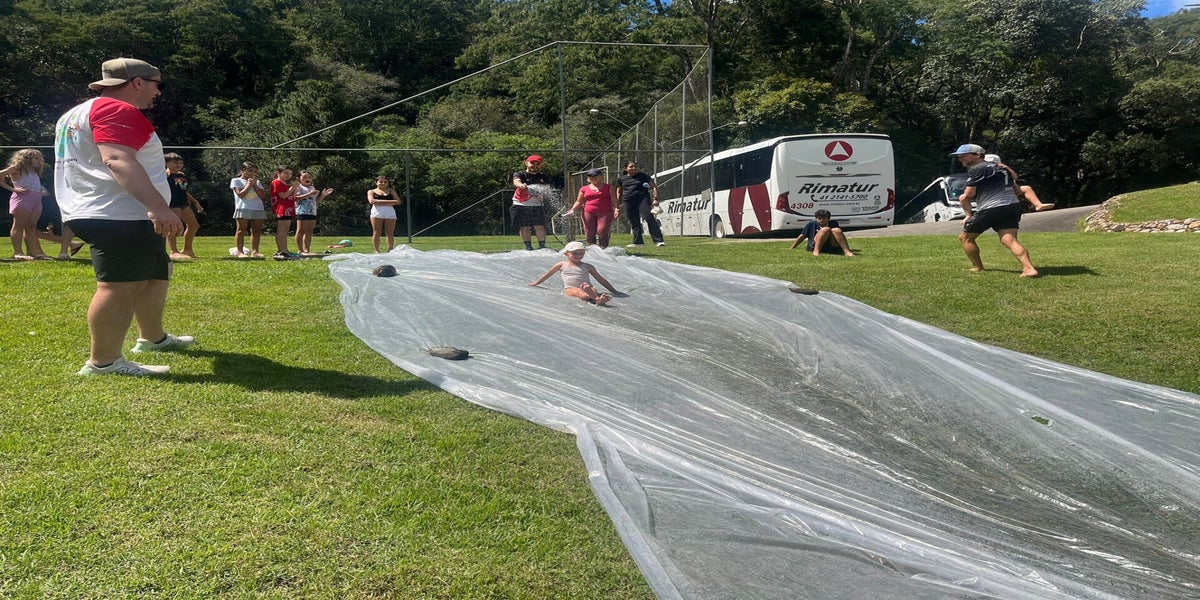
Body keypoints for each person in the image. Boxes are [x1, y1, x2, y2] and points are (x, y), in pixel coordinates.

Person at [53, 57, 192, 376]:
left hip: (108, 209)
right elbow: (116, 159)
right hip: (119, 213)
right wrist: (158, 207)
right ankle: (104, 362)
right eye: (157, 84)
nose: (159, 92)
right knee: (119, 286)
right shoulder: (116, 109)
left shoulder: (75, 113)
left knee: (156, 273)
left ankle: (152, 338)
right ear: (138, 82)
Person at [949, 144, 1039, 278]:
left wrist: (971, 199)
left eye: (964, 156)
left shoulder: (977, 169)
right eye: (959, 157)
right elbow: (1014, 180)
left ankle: (978, 267)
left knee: (965, 238)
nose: (960, 159)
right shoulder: (1002, 168)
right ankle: (1029, 268)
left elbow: (969, 194)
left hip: (992, 207)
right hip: (1012, 205)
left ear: (977, 155)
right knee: (1009, 240)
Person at [528, 240, 622, 305]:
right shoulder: (561, 265)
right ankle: (595, 298)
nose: (578, 256)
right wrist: (536, 283)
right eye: (575, 253)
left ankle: (596, 299)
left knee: (593, 289)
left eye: (581, 253)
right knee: (578, 292)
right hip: (570, 288)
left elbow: (600, 279)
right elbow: (548, 274)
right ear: (566, 253)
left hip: (588, 287)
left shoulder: (588, 266)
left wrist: (614, 291)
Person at [1, 148, 51, 259]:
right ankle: (18, 252)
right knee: (19, 225)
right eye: (36, 158)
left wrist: (41, 191)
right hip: (22, 199)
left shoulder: (34, 171)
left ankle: (32, 251)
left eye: (40, 158)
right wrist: (13, 189)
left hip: (36, 200)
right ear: (26, 159)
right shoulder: (16, 169)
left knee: (31, 226)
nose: (40, 161)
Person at [163, 152, 204, 260]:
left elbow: (183, 190)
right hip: (172, 203)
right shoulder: (165, 174)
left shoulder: (181, 175)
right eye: (175, 163)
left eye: (180, 163)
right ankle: (173, 251)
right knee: (174, 227)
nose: (178, 165)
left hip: (183, 203)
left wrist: (195, 202)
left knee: (194, 225)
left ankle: (187, 250)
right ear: (166, 163)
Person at [565, 168, 619, 248]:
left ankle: (603, 249)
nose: (593, 177)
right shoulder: (584, 188)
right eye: (590, 176)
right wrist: (572, 209)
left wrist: (617, 208)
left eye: (595, 175)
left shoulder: (609, 187)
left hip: (605, 212)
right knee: (589, 232)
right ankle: (591, 249)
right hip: (588, 212)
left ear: (601, 176)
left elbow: (614, 199)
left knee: (602, 231)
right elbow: (579, 201)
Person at [616, 161, 665, 247]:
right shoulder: (621, 179)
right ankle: (638, 242)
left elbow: (654, 187)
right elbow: (619, 192)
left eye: (635, 166)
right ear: (626, 169)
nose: (634, 168)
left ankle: (659, 241)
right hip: (628, 200)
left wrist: (655, 199)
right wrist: (617, 205)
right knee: (634, 220)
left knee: (649, 217)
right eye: (631, 167)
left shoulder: (643, 176)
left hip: (642, 199)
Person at [984, 154, 1054, 212]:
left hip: (1008, 190)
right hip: (992, 193)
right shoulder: (984, 170)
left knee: (1026, 188)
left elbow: (1015, 177)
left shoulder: (1003, 169)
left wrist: (1007, 168)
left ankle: (1038, 205)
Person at [511, 155, 551, 250]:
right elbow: (516, 181)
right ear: (526, 163)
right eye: (532, 163)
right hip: (521, 204)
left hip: (537, 205)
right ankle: (528, 247)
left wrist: (543, 196)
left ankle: (542, 246)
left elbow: (546, 189)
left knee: (539, 226)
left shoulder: (543, 177)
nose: (535, 165)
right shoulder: (520, 174)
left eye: (538, 164)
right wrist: (521, 185)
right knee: (525, 226)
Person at [229, 161, 267, 258]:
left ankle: (255, 251)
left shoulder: (257, 182)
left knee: (256, 230)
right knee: (241, 230)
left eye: (255, 171)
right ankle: (240, 251)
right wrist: (249, 185)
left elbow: (262, 196)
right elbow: (240, 195)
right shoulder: (236, 180)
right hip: (243, 207)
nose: (253, 173)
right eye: (250, 171)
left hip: (257, 208)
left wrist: (255, 185)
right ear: (243, 170)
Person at [294, 170, 333, 255]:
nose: (307, 179)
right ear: (299, 178)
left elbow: (317, 201)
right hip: (302, 211)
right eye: (304, 177)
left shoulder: (312, 188)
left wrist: (323, 195)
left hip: (312, 211)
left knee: (309, 230)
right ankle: (300, 250)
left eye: (309, 177)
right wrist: (309, 193)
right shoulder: (298, 187)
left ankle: (307, 250)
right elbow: (295, 198)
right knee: (301, 230)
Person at [789, 209, 854, 256]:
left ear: (828, 219)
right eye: (819, 218)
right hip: (814, 245)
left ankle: (847, 251)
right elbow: (802, 236)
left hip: (830, 246)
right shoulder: (811, 224)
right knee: (825, 229)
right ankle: (816, 251)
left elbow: (839, 236)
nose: (821, 220)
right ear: (816, 219)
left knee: (836, 230)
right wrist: (793, 247)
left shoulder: (833, 223)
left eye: (824, 218)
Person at [269, 164, 299, 259]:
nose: (288, 175)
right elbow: (283, 195)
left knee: (285, 230)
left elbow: (293, 197)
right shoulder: (277, 182)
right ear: (278, 173)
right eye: (286, 173)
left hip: (288, 208)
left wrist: (295, 188)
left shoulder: (285, 184)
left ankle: (285, 250)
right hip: (282, 208)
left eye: (290, 174)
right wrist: (292, 188)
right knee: (282, 230)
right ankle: (281, 251)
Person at [367, 175, 401, 253]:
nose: (383, 183)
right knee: (376, 232)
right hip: (377, 213)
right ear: (376, 182)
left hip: (390, 212)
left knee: (390, 232)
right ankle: (376, 250)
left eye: (385, 182)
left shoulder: (391, 191)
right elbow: (371, 201)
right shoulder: (371, 191)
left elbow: (398, 201)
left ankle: (390, 250)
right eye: (381, 182)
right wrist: (390, 202)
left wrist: (379, 201)